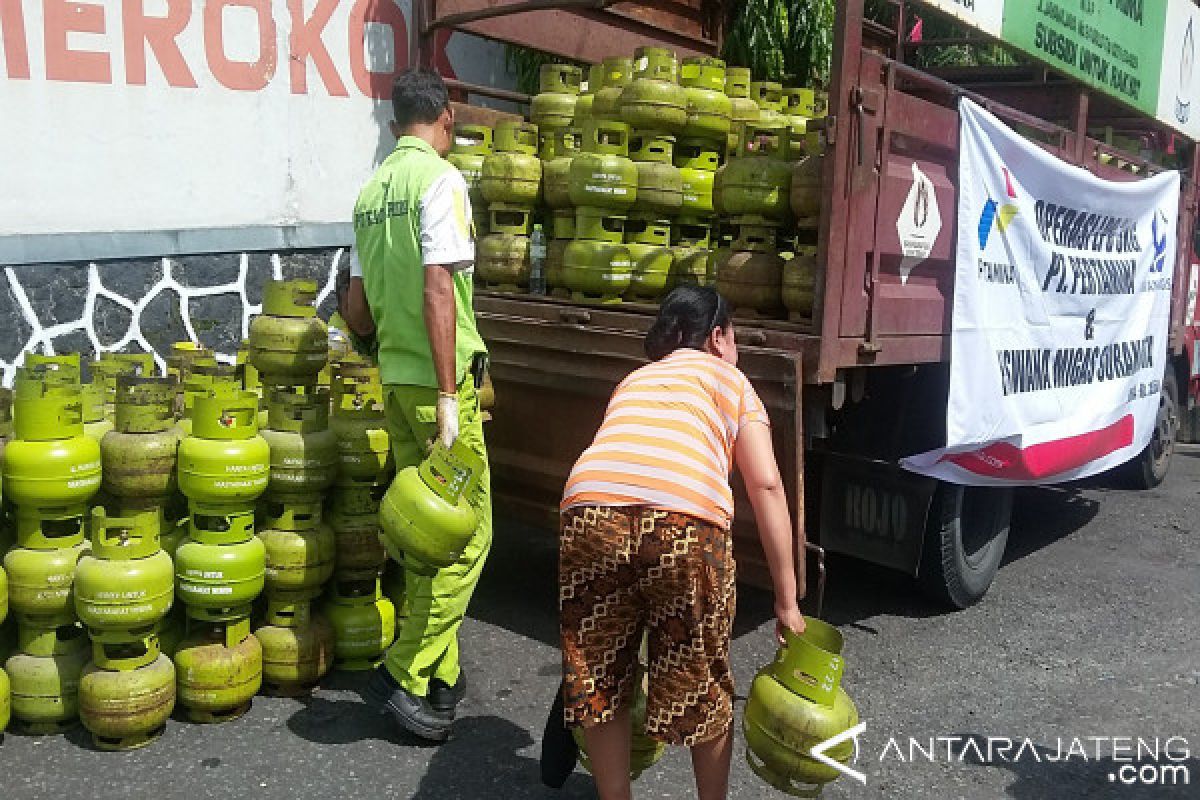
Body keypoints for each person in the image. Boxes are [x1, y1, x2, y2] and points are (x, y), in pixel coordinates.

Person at [558, 286, 805, 800]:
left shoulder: (634, 379)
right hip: (683, 526)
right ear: (717, 337)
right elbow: (765, 485)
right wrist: (787, 598)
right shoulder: (731, 380)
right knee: (704, 681)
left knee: (600, 680)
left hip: (589, 514)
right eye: (733, 338)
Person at [339, 67, 491, 743]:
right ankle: (403, 672)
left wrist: (389, 350)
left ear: (394, 120)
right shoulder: (441, 180)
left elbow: (356, 311)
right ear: (446, 117)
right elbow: (438, 292)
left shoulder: (370, 193)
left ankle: (441, 675)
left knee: (426, 539)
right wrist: (451, 397)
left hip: (396, 387)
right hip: (438, 390)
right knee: (468, 537)